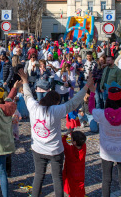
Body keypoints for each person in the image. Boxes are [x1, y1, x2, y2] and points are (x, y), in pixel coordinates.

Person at [19, 69, 91, 197]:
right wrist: (86, 87)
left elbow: (28, 96)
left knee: (39, 176)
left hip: (38, 148)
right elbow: (73, 103)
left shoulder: (34, 107)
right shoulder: (56, 110)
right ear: (56, 102)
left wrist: (25, 81)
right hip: (55, 150)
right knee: (57, 178)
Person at [62, 130, 86, 197]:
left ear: (74, 142)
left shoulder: (69, 150)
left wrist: (66, 134)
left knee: (71, 188)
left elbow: (63, 141)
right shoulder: (83, 147)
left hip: (71, 173)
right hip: (80, 173)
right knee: (80, 186)